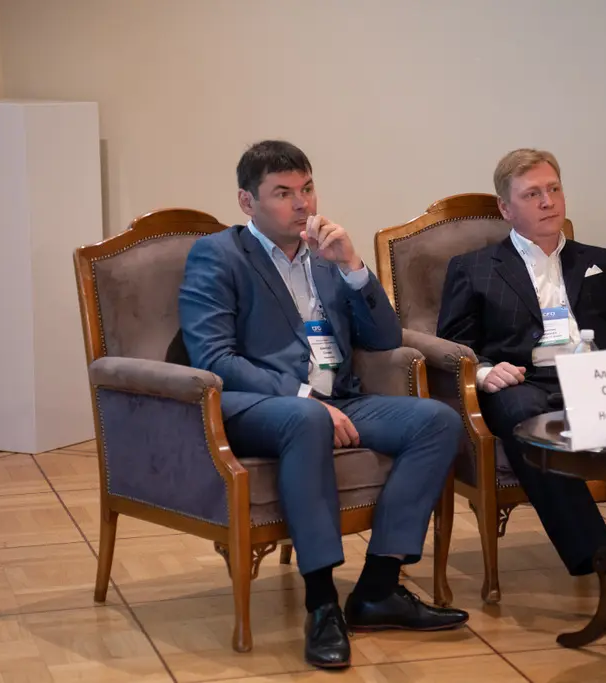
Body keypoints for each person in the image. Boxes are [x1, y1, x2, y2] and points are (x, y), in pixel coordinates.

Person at [179, 140, 469, 669]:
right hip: (257, 405)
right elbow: (214, 357)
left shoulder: (326, 255)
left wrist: (354, 267)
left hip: (339, 399)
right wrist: (303, 397)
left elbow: (383, 339)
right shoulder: (218, 255)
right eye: (283, 193)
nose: (302, 204)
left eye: (307, 189)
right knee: (307, 417)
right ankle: (321, 604)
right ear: (247, 202)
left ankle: (377, 589)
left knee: (437, 421)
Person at [436, 148, 606, 643]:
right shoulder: (474, 267)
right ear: (506, 208)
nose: (548, 201)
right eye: (532, 193)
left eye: (553, 189)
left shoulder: (598, 260)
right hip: (524, 384)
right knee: (527, 418)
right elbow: (453, 341)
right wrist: (485, 370)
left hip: (598, 376)